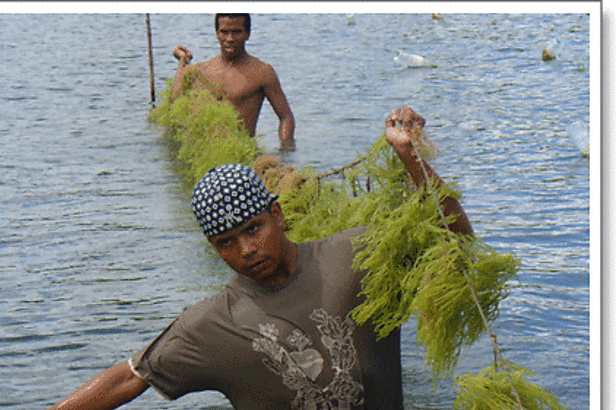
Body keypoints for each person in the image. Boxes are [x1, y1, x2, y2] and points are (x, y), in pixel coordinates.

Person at [47, 107, 473, 410]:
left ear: (278, 215)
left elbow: (460, 249)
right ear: (214, 249)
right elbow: (130, 376)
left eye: (253, 229)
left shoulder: (358, 253)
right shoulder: (214, 323)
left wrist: (411, 159)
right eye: (227, 242)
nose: (246, 250)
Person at [171, 13, 296, 150]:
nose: (229, 39)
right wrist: (183, 62)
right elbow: (173, 105)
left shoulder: (262, 72)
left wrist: (286, 150)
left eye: (236, 32)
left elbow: (286, 116)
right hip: (203, 153)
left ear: (247, 34)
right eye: (224, 32)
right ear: (217, 33)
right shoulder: (200, 71)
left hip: (241, 153)